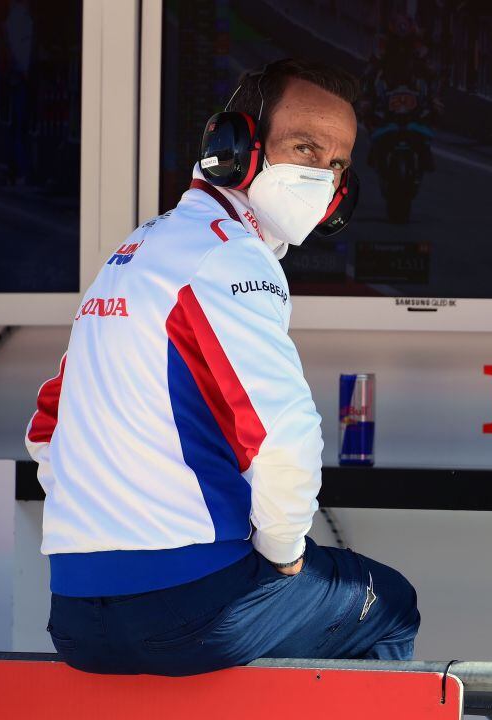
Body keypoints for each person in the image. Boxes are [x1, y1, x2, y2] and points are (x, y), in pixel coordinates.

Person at [25, 58, 420, 676]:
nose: (323, 176)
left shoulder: (136, 251)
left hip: (75, 616)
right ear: (236, 148)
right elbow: (285, 437)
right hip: (193, 610)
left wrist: (108, 531)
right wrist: (286, 554)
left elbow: (46, 428)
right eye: (305, 147)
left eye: (337, 163)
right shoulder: (232, 259)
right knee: (390, 604)